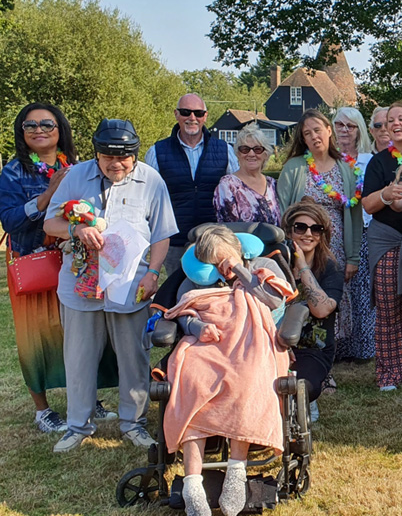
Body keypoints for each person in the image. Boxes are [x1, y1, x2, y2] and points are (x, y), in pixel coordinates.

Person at [44, 119, 177, 452]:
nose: (116, 164)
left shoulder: (151, 180)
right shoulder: (75, 176)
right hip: (80, 285)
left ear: (134, 154)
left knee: (134, 357)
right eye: (107, 157)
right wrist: (75, 230)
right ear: (97, 153)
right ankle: (78, 425)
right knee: (78, 359)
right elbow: (50, 221)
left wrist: (153, 273)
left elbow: (162, 233)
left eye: (124, 158)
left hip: (131, 287)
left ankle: (134, 423)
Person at [0, 103, 117, 433]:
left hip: (75, 261)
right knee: (34, 338)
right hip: (33, 263)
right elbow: (9, 220)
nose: (39, 129)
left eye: (46, 124)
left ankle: (87, 399)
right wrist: (47, 197)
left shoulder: (77, 167)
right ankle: (43, 410)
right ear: (21, 132)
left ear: (59, 129)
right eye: (30, 125)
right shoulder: (13, 172)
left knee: (81, 334)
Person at [162, 226, 294, 516]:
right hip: (207, 343)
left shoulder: (263, 266)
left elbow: (274, 300)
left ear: (240, 250)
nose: (223, 267)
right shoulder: (196, 278)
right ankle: (193, 485)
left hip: (254, 342)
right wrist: (198, 327)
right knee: (191, 380)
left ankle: (236, 473)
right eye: (215, 262)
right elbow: (184, 313)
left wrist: (240, 271)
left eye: (227, 258)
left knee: (247, 379)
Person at [278, 109, 361, 389]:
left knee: (332, 299)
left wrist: (351, 256)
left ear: (329, 130)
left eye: (318, 129)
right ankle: (298, 354)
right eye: (306, 133)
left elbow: (354, 213)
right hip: (304, 240)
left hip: (336, 242)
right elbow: (283, 210)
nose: (313, 136)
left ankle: (326, 364)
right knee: (302, 295)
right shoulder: (295, 167)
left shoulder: (346, 167)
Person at [362, 101, 402, 390]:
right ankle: (387, 371)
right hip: (386, 238)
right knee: (388, 305)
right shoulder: (379, 162)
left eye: (401, 118)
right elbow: (367, 204)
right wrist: (386, 193)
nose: (394, 124)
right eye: (390, 120)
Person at [145, 93, 239, 274]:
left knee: (213, 295)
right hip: (174, 241)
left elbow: (236, 192)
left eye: (198, 113)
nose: (192, 118)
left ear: (205, 116)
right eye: (186, 112)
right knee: (177, 294)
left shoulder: (225, 150)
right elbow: (148, 198)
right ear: (176, 114)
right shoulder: (157, 151)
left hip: (214, 239)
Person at [282, 200, 346, 404]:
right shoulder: (275, 265)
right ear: (289, 231)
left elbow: (321, 310)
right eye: (300, 227)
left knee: (299, 389)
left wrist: (301, 266)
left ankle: (306, 404)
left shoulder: (330, 268)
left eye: (316, 229)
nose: (308, 234)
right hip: (276, 345)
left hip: (313, 349)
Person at [332, 106, 377, 361]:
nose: (345, 130)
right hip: (335, 231)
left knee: (362, 291)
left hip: (364, 230)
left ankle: (363, 348)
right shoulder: (328, 160)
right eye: (340, 125)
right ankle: (337, 347)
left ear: (359, 129)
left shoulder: (368, 160)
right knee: (338, 290)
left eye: (350, 126)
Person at [212, 123, 281, 225]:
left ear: (265, 154)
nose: (251, 154)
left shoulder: (272, 184)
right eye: (245, 149)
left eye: (257, 149)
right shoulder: (228, 185)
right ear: (238, 154)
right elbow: (229, 229)